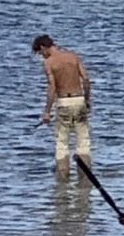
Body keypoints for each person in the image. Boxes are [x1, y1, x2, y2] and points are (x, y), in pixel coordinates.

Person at [31, 35, 92, 177]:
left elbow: (52, 87)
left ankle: (63, 178)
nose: (42, 57)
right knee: (83, 141)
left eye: (41, 53)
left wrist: (47, 111)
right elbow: (86, 79)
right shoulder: (73, 56)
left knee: (62, 143)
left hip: (64, 102)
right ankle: (85, 177)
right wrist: (87, 100)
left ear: (43, 48)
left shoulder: (49, 63)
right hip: (79, 100)